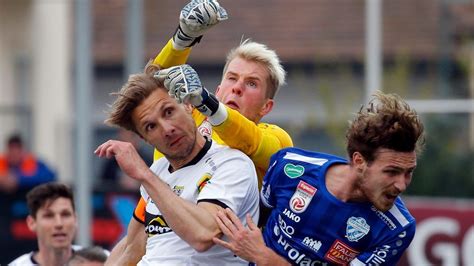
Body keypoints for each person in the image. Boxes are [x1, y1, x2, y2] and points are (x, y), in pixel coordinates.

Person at [212, 91, 425, 265]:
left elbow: (258, 252)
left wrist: (265, 259)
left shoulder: (397, 228)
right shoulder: (288, 166)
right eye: (391, 172)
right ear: (359, 161)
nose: (401, 184)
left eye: (409, 172)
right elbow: (253, 224)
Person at [95, 71, 259, 265]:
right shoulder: (158, 171)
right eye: (150, 126)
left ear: (188, 105)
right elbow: (131, 248)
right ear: (144, 139)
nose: (167, 129)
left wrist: (145, 175)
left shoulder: (232, 163)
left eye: (169, 112)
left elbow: (203, 234)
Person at [151, 0, 293, 187]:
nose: (237, 87)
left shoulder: (276, 138)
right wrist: (183, 38)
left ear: (266, 107)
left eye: (251, 83)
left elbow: (250, 140)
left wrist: (205, 102)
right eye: (232, 78)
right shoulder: (188, 116)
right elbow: (151, 88)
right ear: (218, 90)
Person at [9, 182, 81, 266]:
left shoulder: (95, 262)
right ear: (32, 223)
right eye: (49, 216)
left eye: (65, 214)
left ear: (75, 219)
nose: (59, 224)